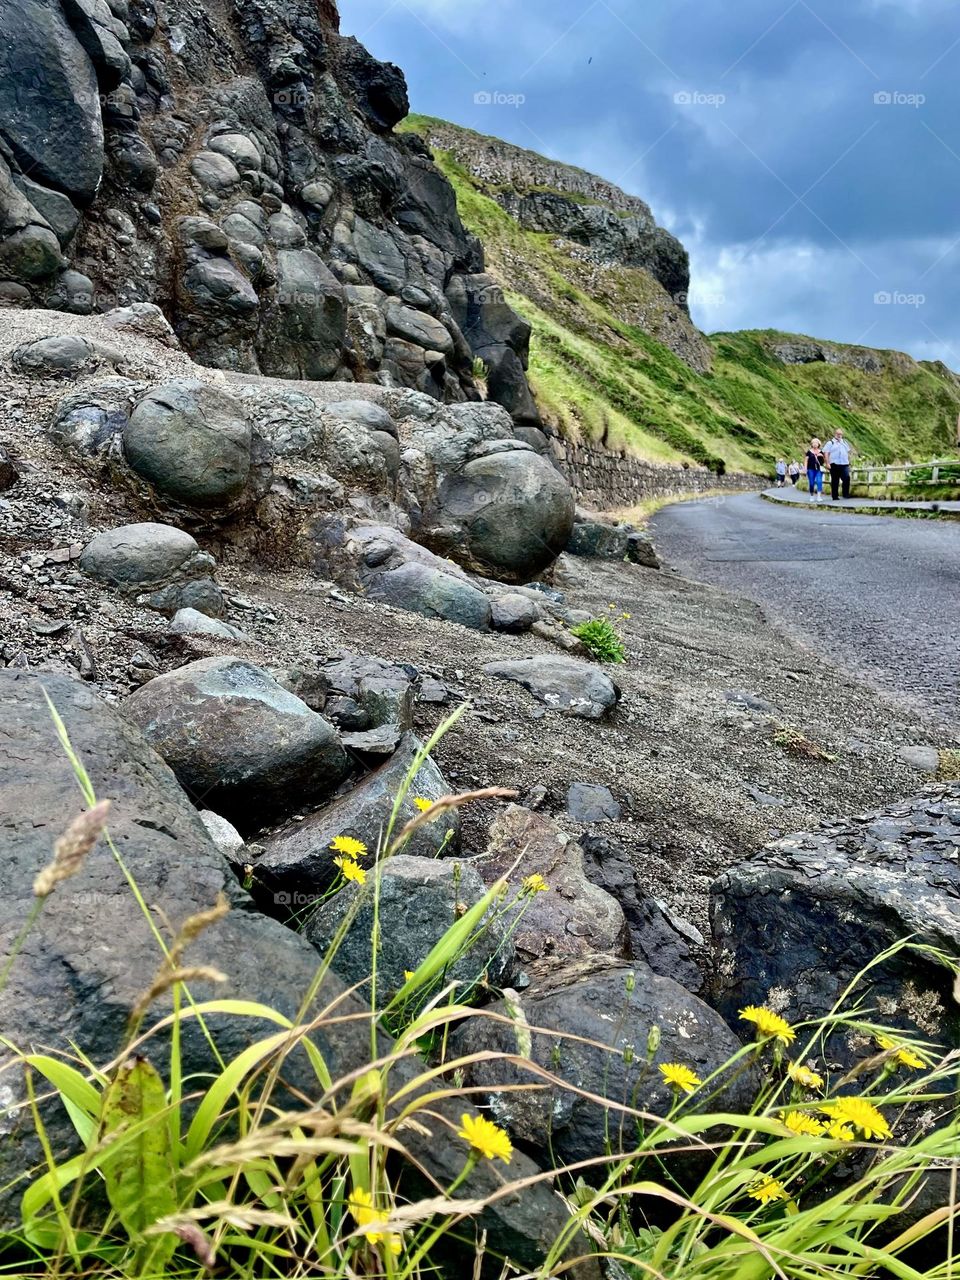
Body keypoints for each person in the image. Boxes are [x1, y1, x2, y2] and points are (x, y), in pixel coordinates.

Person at [824, 428, 853, 500]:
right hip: (834, 463)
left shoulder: (844, 442)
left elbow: (848, 452)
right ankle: (835, 496)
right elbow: (826, 453)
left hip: (844, 463)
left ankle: (845, 494)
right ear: (835, 434)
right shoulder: (830, 443)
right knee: (835, 480)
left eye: (841, 434)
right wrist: (827, 463)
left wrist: (849, 461)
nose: (839, 435)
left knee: (846, 477)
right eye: (838, 434)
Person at [805, 437, 824, 502]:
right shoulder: (809, 452)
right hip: (810, 469)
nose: (815, 444)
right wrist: (805, 468)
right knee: (811, 483)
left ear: (819, 444)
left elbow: (823, 462)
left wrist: (821, 456)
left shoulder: (821, 452)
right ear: (811, 444)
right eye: (813, 443)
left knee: (819, 481)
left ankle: (819, 496)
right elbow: (806, 460)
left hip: (818, 469)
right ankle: (812, 496)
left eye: (816, 443)